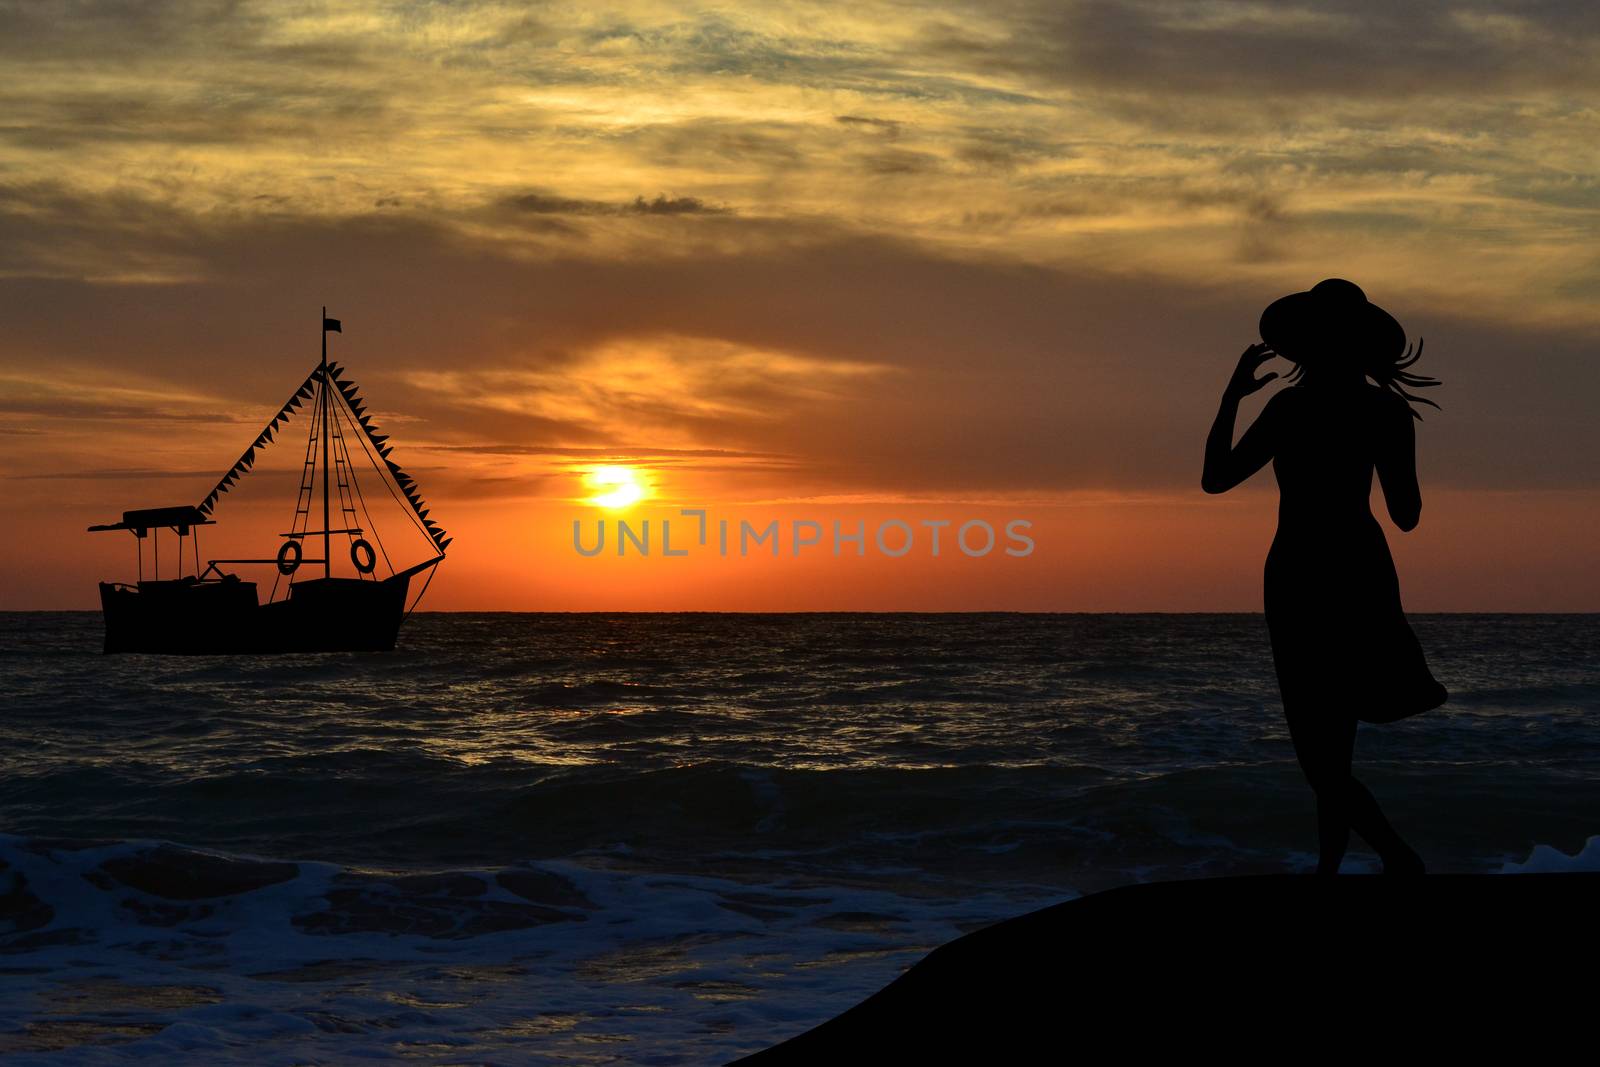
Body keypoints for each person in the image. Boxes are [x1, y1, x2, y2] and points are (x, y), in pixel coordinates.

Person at [1202, 278, 1448, 875]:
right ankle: (1330, 869)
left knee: (1318, 748)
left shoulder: (1290, 408)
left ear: (1304, 345)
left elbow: (1216, 478)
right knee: (1333, 744)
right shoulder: (1386, 410)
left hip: (1299, 570)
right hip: (1361, 567)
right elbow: (1408, 516)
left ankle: (1397, 857)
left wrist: (1233, 395)